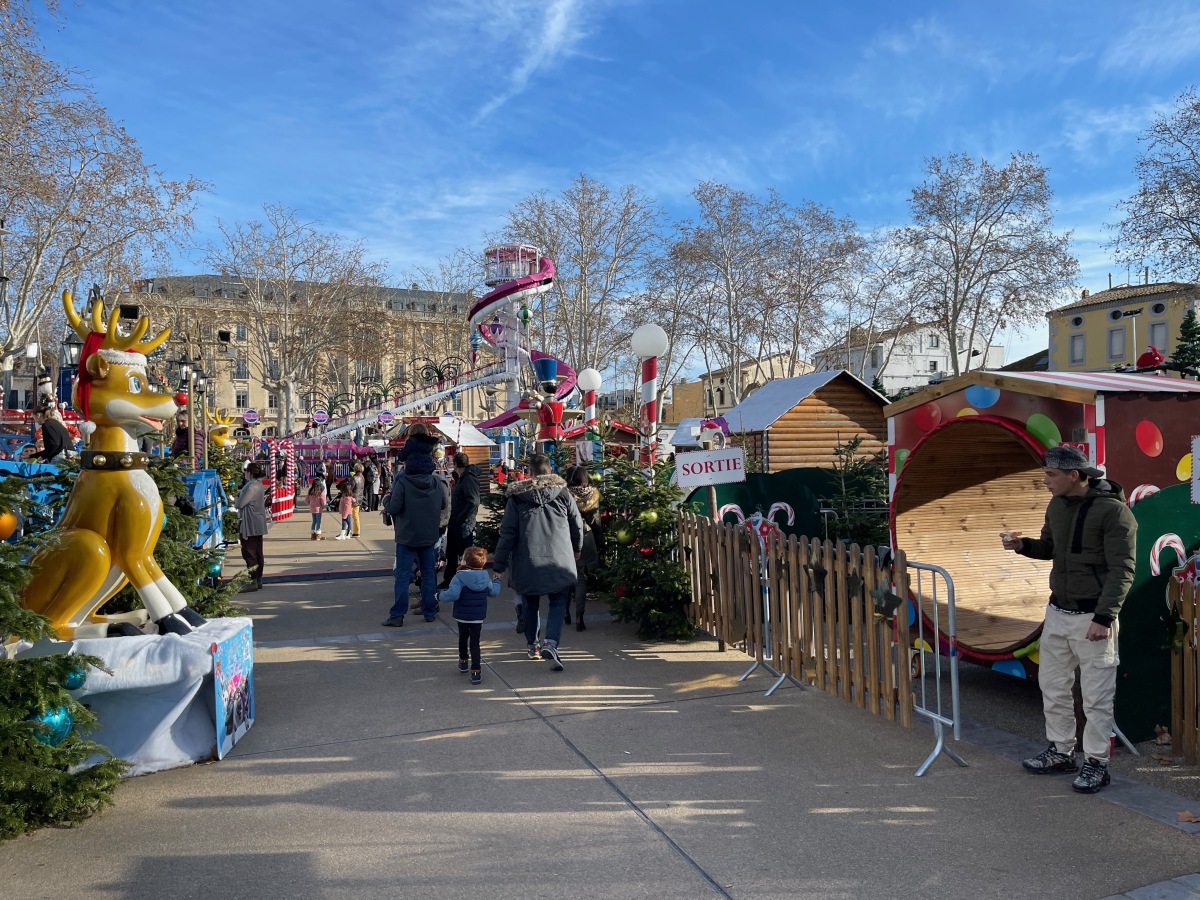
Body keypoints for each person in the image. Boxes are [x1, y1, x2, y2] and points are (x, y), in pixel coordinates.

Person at [1002, 445, 1136, 794]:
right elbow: (1049, 548)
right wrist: (1022, 545)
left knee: (1096, 698)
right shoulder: (1056, 506)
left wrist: (1104, 618)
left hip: (1093, 617)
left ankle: (1097, 763)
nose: (1046, 481)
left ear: (1074, 475)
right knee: (1053, 688)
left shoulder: (1115, 513)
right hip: (1057, 613)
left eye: (1051, 475)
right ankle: (1061, 752)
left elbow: (1123, 570)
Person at [491, 454, 583, 670]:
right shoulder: (563, 493)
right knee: (558, 600)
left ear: (530, 473)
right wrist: (577, 548)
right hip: (560, 559)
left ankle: (533, 646)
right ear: (549, 470)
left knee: (530, 602)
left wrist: (499, 565)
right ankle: (551, 642)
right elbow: (576, 523)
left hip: (528, 559)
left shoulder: (517, 498)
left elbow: (507, 534)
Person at [382, 442, 451, 626]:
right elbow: (444, 504)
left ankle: (397, 615)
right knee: (428, 574)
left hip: (407, 536)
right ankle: (429, 611)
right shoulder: (436, 482)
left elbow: (394, 508)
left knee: (402, 576)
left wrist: (386, 500)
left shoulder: (403, 482)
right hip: (428, 535)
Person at [438, 545, 502, 685]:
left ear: (466, 562)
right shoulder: (485, 577)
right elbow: (494, 592)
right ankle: (476, 671)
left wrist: (439, 596)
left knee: (462, 637)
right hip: (477, 616)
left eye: (462, 558)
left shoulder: (459, 577)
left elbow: (453, 595)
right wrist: (497, 581)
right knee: (475, 642)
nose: (460, 560)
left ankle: (463, 661)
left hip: (462, 615)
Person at [564, 465, 603, 631]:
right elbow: (597, 523)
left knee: (565, 577)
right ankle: (579, 616)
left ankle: (565, 612)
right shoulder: (593, 495)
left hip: (566, 537)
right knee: (580, 577)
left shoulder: (564, 494)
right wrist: (599, 543)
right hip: (586, 537)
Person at [441, 451, 481, 589]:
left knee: (465, 555)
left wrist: (461, 518)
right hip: (455, 522)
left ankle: (467, 584)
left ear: (456, 464)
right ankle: (449, 580)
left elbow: (474, 501)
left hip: (464, 524)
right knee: (451, 553)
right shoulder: (460, 478)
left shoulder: (468, 479)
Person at [235, 462, 270, 592]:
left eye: (246, 471)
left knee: (249, 552)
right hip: (256, 522)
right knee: (257, 551)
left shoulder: (251, 487)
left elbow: (240, 504)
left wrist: (236, 499)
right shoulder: (258, 485)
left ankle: (253, 579)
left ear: (250, 473)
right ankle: (258, 579)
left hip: (250, 523)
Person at [350, 462, 365, 537]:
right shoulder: (362, 477)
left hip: (353, 497)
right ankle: (356, 531)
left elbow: (350, 488)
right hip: (359, 497)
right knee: (356, 515)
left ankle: (355, 531)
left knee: (351, 515)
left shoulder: (354, 478)